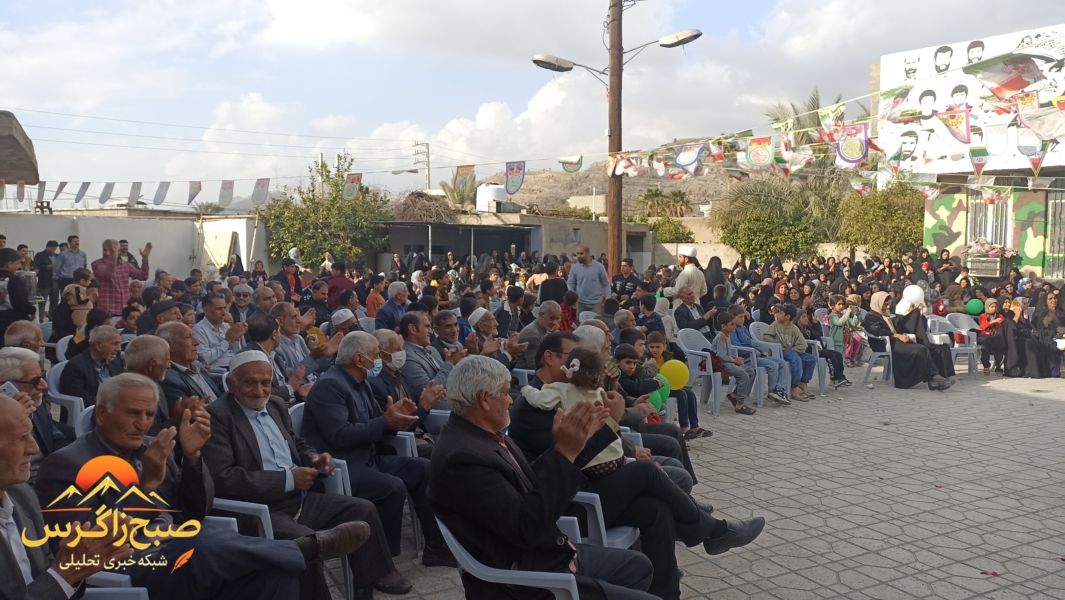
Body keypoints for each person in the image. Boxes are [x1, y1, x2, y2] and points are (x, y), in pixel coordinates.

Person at [428, 355, 660, 600]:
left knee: (638, 566)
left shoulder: (481, 435)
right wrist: (564, 452)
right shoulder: (463, 458)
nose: (510, 400)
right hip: (528, 580)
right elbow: (526, 528)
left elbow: (530, 481)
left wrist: (572, 446)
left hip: (546, 553)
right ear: (485, 399)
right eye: (505, 393)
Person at [202, 352, 412, 599]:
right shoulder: (217, 417)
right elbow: (224, 478)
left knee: (362, 510)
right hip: (260, 510)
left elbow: (298, 444)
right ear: (231, 384)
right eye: (250, 383)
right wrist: (289, 480)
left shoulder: (275, 405)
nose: (259, 390)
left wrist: (314, 459)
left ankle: (373, 580)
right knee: (306, 543)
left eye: (265, 382)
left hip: (298, 499)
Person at [302, 331, 456, 566]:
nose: (379, 361)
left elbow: (381, 422)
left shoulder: (361, 382)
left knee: (423, 469)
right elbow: (340, 436)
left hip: (368, 457)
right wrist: (386, 421)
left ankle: (435, 547)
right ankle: (381, 563)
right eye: (375, 355)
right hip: (343, 466)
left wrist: (402, 415)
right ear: (359, 358)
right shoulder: (330, 385)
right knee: (392, 487)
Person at [0, 392, 136, 600]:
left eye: (31, 434)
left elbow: (49, 579)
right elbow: (55, 578)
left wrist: (76, 568)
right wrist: (64, 575)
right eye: (21, 437)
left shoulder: (22, 496)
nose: (33, 448)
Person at [862, 291, 952, 390]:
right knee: (921, 349)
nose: (888, 307)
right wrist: (897, 335)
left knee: (937, 348)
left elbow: (895, 325)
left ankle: (936, 379)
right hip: (883, 344)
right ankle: (935, 377)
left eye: (889, 304)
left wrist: (913, 314)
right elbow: (877, 330)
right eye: (885, 304)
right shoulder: (871, 316)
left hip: (894, 341)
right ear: (877, 302)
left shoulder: (884, 314)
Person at [157, 321, 223, 415]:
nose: (196, 342)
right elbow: (190, 414)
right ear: (169, 346)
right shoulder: (168, 379)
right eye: (189, 337)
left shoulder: (197, 366)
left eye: (194, 336)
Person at [400, 311, 462, 403]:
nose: (431, 331)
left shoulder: (432, 350)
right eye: (427, 326)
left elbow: (449, 379)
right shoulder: (406, 357)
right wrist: (450, 363)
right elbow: (430, 393)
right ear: (413, 329)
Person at [57, 324, 124, 406]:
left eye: (119, 344)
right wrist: (115, 402)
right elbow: (82, 401)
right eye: (114, 344)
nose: (119, 349)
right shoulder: (75, 367)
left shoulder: (116, 361)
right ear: (98, 346)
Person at [763, 305, 818, 402]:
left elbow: (803, 344)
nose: (777, 314)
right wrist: (778, 344)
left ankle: (803, 383)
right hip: (781, 351)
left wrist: (794, 349)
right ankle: (794, 387)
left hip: (792, 350)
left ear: (787, 316)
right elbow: (766, 337)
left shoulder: (794, 328)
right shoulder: (775, 325)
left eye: (780, 313)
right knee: (796, 359)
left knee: (811, 359)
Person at [711, 312, 757, 414]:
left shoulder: (727, 335)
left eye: (735, 324)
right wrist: (734, 360)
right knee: (743, 375)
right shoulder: (721, 337)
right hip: (721, 364)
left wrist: (735, 358)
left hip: (728, 362)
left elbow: (727, 354)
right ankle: (739, 405)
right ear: (723, 326)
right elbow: (720, 356)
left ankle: (734, 395)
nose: (734, 326)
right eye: (732, 324)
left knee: (750, 371)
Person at [91, 238, 151, 316]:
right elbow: (107, 275)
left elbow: (143, 276)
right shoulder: (97, 264)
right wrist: (113, 258)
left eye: (111, 250)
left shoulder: (126, 265)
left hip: (125, 311)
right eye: (105, 250)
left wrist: (145, 258)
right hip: (107, 312)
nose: (107, 253)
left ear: (119, 251)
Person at [195, 292, 246, 369]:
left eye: (224, 308)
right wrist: (227, 341)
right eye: (218, 309)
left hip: (235, 365)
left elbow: (237, 353)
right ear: (206, 311)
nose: (223, 313)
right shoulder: (198, 330)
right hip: (217, 370)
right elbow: (204, 359)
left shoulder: (226, 326)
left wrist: (237, 337)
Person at [0, 248, 36, 344]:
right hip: (12, 324)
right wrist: (32, 310)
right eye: (17, 263)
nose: (19, 266)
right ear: (9, 264)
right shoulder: (14, 280)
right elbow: (20, 303)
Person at [515, 300, 562, 369]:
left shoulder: (543, 331)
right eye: (552, 318)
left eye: (557, 319)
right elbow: (533, 365)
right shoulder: (532, 333)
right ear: (541, 315)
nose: (555, 322)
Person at [566, 245, 610, 316]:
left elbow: (606, 284)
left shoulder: (599, 267)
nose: (579, 256)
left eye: (581, 253)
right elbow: (570, 283)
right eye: (577, 253)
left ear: (588, 253)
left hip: (596, 303)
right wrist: (573, 298)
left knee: (596, 322)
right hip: (580, 303)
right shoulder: (575, 267)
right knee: (580, 321)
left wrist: (608, 299)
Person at [32, 240, 59, 320]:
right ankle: (41, 319)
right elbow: (36, 267)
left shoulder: (57, 256)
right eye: (52, 248)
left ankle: (52, 318)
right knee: (42, 301)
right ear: (47, 247)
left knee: (54, 301)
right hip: (44, 281)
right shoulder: (40, 255)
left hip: (56, 281)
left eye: (55, 248)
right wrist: (49, 266)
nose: (53, 250)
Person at [978, 297, 1006, 374]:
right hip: (985, 336)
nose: (994, 308)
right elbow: (982, 327)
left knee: (999, 345)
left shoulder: (999, 316)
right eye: (992, 307)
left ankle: (998, 365)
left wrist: (999, 322)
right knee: (985, 347)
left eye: (995, 307)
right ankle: (986, 366)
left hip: (995, 336)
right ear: (987, 307)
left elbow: (1002, 326)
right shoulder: (983, 316)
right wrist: (993, 322)